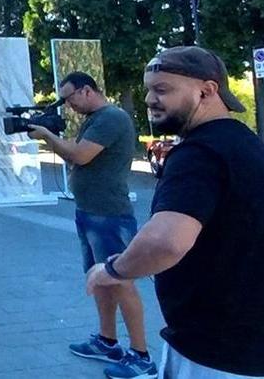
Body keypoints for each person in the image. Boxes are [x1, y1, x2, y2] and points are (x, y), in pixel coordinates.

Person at [85, 47, 264, 378]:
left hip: (214, 353)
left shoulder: (199, 153)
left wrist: (113, 270)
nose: (151, 99)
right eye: (149, 89)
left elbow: (166, 242)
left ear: (207, 90)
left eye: (163, 89)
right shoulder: (243, 141)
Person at [27, 71, 152, 378]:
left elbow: (80, 156)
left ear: (86, 91)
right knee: (101, 280)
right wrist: (57, 140)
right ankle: (108, 342)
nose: (68, 105)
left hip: (109, 214)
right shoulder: (94, 119)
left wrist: (47, 136)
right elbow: (78, 156)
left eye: (69, 98)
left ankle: (142, 356)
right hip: (90, 212)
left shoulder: (111, 118)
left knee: (121, 281)